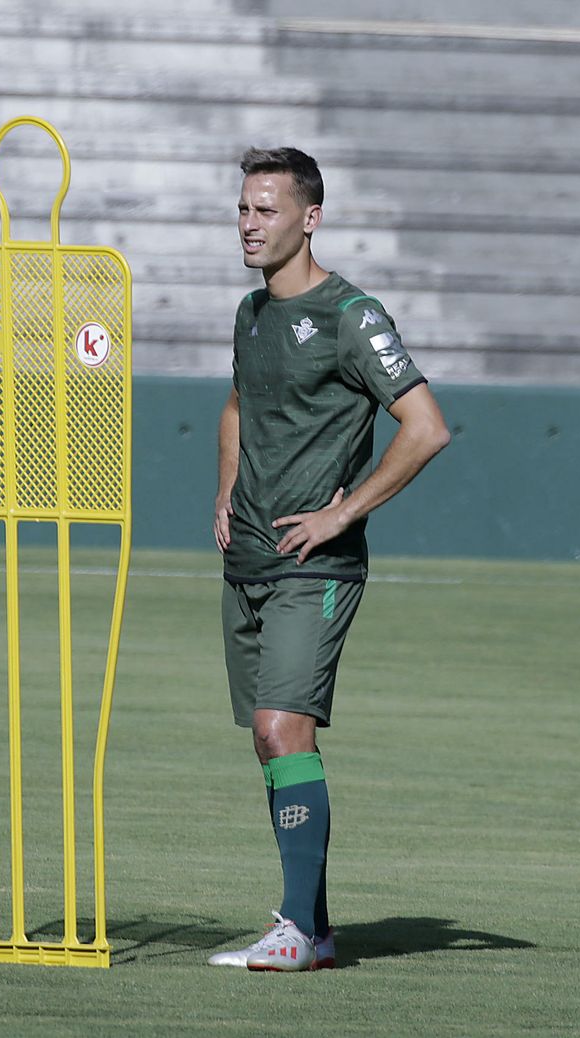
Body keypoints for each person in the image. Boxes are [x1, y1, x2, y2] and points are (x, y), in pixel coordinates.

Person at [207, 147, 451, 972]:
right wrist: (226, 490)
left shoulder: (352, 315)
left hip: (315, 568)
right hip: (248, 560)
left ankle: (294, 929)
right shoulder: (250, 313)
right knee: (272, 743)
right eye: (243, 209)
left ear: (309, 218)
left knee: (283, 728)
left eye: (266, 210)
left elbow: (427, 428)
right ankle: (314, 930)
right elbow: (238, 403)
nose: (249, 225)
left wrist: (343, 513)